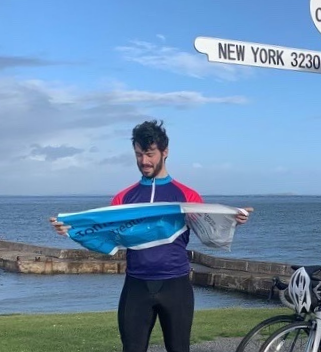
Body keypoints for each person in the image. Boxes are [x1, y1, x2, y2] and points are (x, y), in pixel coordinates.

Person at [50, 120, 253, 352]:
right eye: (138, 154)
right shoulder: (123, 199)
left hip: (175, 284)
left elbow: (210, 235)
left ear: (165, 152)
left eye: (149, 154)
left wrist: (233, 220)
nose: (144, 161)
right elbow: (104, 236)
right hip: (136, 285)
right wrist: (71, 229)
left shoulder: (187, 195)